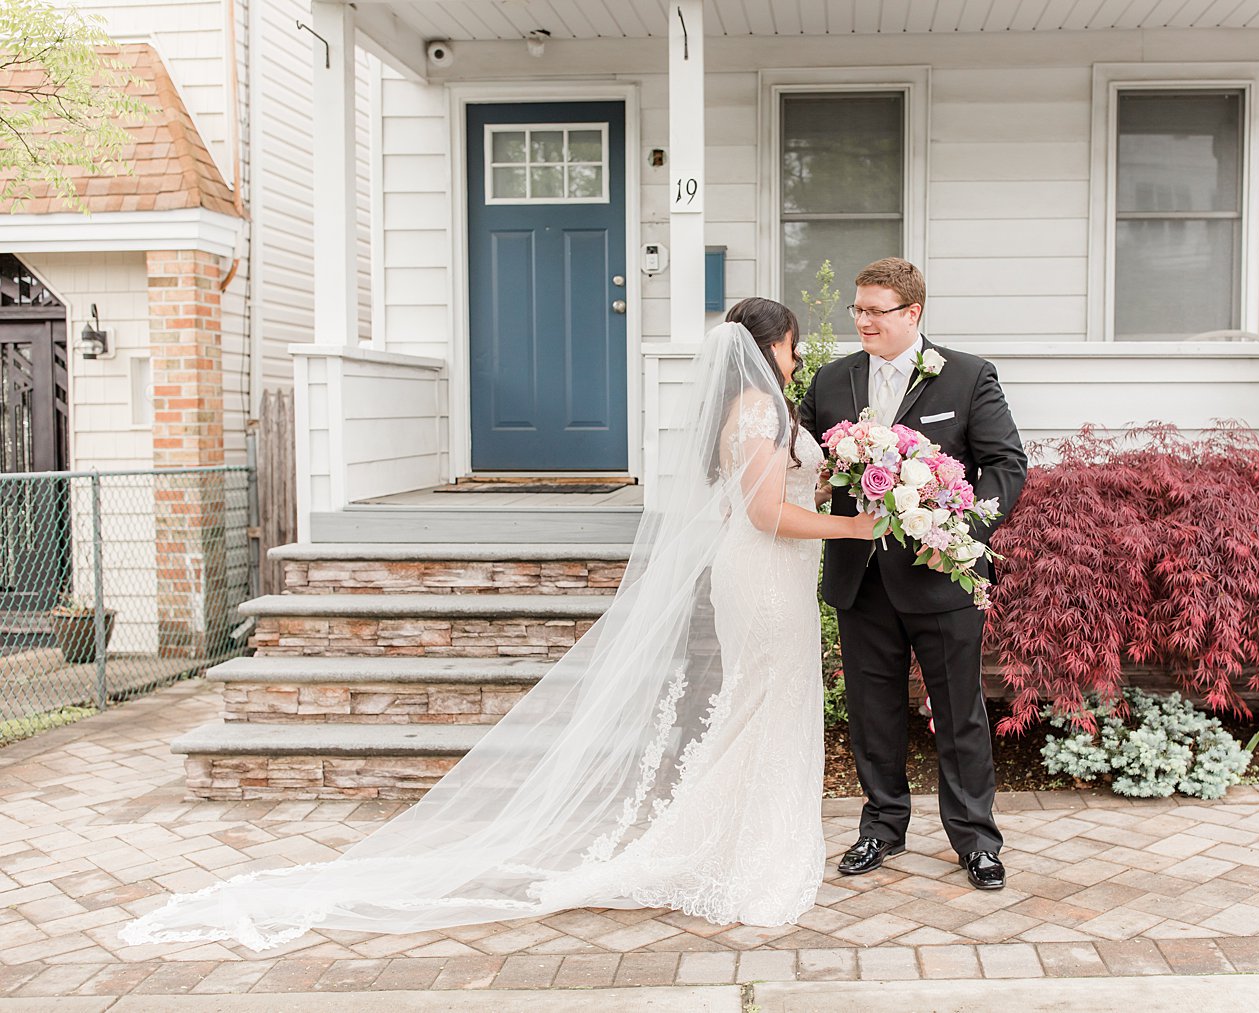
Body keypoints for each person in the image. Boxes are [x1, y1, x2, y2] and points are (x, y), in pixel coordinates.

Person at [121, 298, 876, 952]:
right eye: (791, 343)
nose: (796, 355)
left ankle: (744, 834)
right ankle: (737, 846)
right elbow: (766, 512)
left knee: (760, 708)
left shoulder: (752, 410)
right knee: (763, 705)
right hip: (765, 577)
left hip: (763, 576)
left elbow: (760, 495)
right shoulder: (757, 410)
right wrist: (856, 526)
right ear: (764, 345)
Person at [801, 258, 1027, 891]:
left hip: (939, 574)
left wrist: (961, 535)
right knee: (873, 710)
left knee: (959, 713)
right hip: (859, 574)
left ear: (913, 313)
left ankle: (976, 840)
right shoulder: (833, 379)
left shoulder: (967, 377)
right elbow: (804, 462)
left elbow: (1006, 464)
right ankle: (881, 826)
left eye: (877, 310)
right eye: (859, 309)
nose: (865, 321)